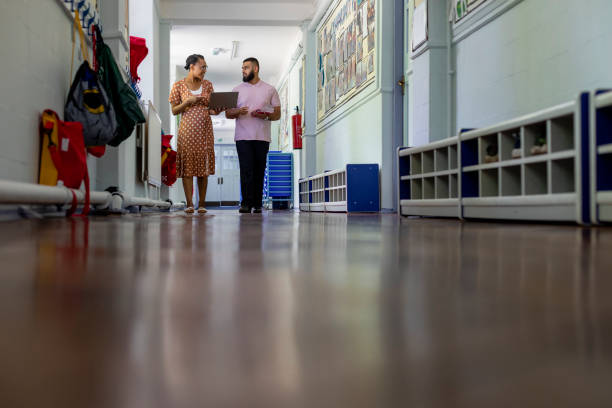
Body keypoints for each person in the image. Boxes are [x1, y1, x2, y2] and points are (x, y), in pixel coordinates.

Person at [169, 54, 224, 214]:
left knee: (203, 167)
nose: (205, 70)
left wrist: (219, 109)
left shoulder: (208, 85)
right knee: (188, 168)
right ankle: (189, 203)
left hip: (205, 131)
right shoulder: (178, 85)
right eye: (202, 67)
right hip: (187, 131)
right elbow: (174, 110)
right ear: (192, 66)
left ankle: (201, 204)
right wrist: (186, 103)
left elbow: (212, 109)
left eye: (206, 67)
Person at [225, 57, 281, 214]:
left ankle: (257, 204)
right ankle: (246, 203)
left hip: (262, 137)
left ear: (255, 69)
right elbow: (228, 113)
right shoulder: (236, 89)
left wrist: (266, 115)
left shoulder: (270, 89)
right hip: (242, 136)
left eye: (246, 67)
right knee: (246, 169)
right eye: (242, 68)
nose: (243, 70)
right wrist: (238, 111)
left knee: (259, 169)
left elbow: (277, 114)